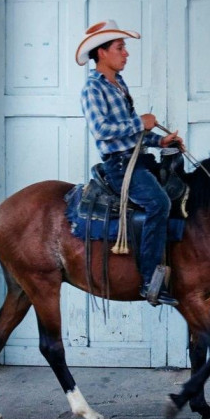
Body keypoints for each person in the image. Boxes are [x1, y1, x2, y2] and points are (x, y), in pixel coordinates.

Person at [76, 20, 184, 307]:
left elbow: (132, 134)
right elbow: (102, 130)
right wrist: (141, 122)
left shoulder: (119, 84)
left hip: (136, 158)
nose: (126, 54)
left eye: (124, 48)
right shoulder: (92, 89)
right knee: (158, 203)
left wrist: (158, 142)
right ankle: (150, 280)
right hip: (119, 166)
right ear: (101, 53)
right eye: (120, 48)